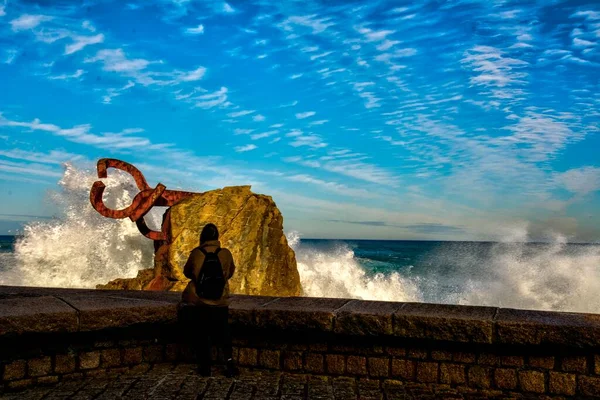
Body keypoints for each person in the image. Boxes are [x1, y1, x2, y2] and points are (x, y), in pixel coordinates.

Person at [178, 223, 238, 377]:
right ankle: (230, 363)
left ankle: (205, 366)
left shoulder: (197, 253)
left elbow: (187, 273)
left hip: (201, 302)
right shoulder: (225, 253)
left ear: (202, 237)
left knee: (202, 333)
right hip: (220, 301)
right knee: (224, 333)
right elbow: (230, 272)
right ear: (217, 237)